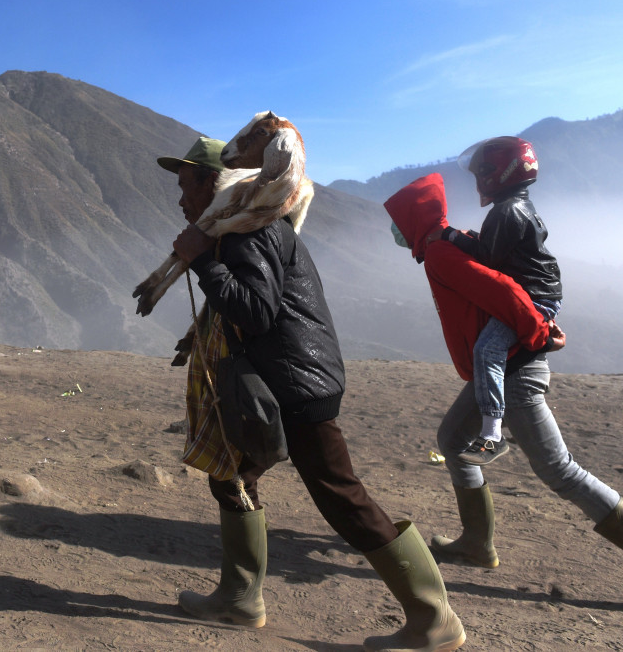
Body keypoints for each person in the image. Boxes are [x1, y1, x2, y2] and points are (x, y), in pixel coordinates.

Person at [158, 137, 465, 652]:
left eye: (187, 183)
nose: (180, 197)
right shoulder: (237, 227)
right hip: (281, 380)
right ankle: (238, 598)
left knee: (340, 495)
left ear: (215, 184)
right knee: (232, 475)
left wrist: (202, 263)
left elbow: (256, 312)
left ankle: (433, 618)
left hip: (294, 385)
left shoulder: (247, 232)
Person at [385, 172, 623, 614]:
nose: (393, 234)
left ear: (410, 221)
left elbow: (505, 291)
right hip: (504, 365)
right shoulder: (441, 246)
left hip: (515, 369)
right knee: (453, 441)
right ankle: (477, 542)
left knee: (560, 470)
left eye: (396, 224)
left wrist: (537, 333)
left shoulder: (440, 253)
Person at [438, 137, 562, 467]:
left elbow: (486, 260)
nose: (479, 179)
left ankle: (493, 434)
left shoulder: (506, 212)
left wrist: (449, 237)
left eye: (484, 171)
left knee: (487, 349)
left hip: (533, 298)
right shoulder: (517, 206)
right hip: (539, 295)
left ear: (499, 172)